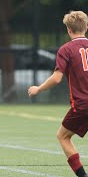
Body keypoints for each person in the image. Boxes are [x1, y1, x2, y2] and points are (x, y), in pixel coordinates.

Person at [28, 10, 88, 177]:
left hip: (82, 105)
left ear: (69, 29)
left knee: (63, 136)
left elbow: (56, 78)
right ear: (86, 27)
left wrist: (38, 89)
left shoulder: (66, 49)